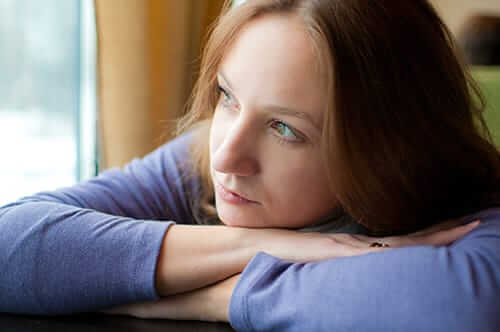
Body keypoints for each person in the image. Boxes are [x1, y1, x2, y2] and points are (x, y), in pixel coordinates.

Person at [1, 0, 499, 331]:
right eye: (227, 96)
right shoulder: (198, 159)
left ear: (387, 148)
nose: (225, 156)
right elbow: (10, 245)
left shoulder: (474, 216)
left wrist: (210, 298)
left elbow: (462, 309)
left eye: (285, 128)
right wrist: (267, 244)